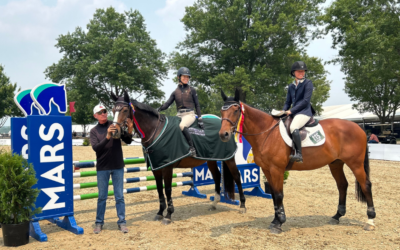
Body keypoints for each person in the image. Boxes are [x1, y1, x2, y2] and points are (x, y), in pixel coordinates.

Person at [89, 104, 133, 234]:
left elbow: (128, 140)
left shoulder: (115, 124)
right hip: (103, 167)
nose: (103, 113)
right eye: (100, 112)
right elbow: (96, 148)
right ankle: (99, 222)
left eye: (104, 111)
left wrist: (129, 130)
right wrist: (108, 136)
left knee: (119, 196)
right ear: (95, 116)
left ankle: (122, 222)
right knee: (102, 197)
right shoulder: (94, 131)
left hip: (118, 166)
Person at [158, 67, 204, 157]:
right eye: (184, 77)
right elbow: (167, 104)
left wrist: (200, 118)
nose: (186, 78)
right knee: (171, 127)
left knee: (182, 126)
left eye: (187, 77)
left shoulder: (192, 90)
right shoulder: (175, 92)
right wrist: (158, 109)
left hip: (189, 114)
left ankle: (192, 148)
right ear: (178, 77)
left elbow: (197, 105)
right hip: (179, 114)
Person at [282, 61, 315, 163]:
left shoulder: (308, 83)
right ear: (293, 73)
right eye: (299, 71)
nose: (301, 73)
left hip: (304, 112)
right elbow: (288, 102)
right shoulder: (291, 86)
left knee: (293, 127)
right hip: (294, 112)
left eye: (303, 71)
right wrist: (283, 111)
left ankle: (299, 154)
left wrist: (291, 111)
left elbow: (305, 101)